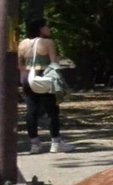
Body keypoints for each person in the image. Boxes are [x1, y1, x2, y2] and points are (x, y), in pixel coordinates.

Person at [18, 18, 73, 154]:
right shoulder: (48, 42)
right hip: (44, 76)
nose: (49, 29)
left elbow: (19, 65)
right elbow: (54, 63)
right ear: (40, 29)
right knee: (52, 110)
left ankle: (34, 144)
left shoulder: (22, 43)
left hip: (27, 77)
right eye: (47, 27)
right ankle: (55, 142)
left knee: (31, 110)